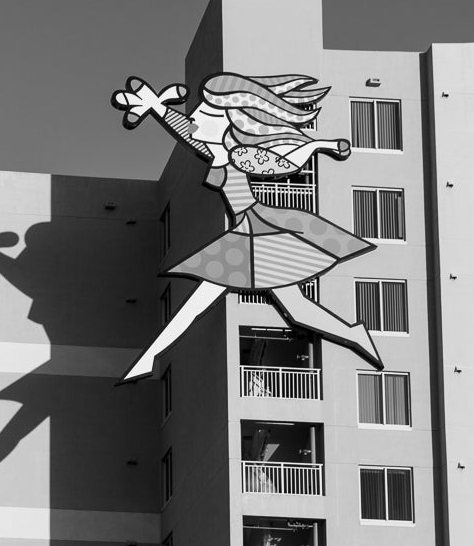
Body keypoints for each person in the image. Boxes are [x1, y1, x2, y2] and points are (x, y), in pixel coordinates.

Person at [111, 73, 382, 382]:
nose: (195, 116)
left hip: (258, 234)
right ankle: (355, 335)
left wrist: (320, 146)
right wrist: (157, 109)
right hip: (250, 234)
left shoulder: (239, 156)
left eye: (204, 112)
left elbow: (285, 160)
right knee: (295, 310)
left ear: (229, 122)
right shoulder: (217, 152)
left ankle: (147, 359)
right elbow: (189, 133)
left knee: (200, 301)